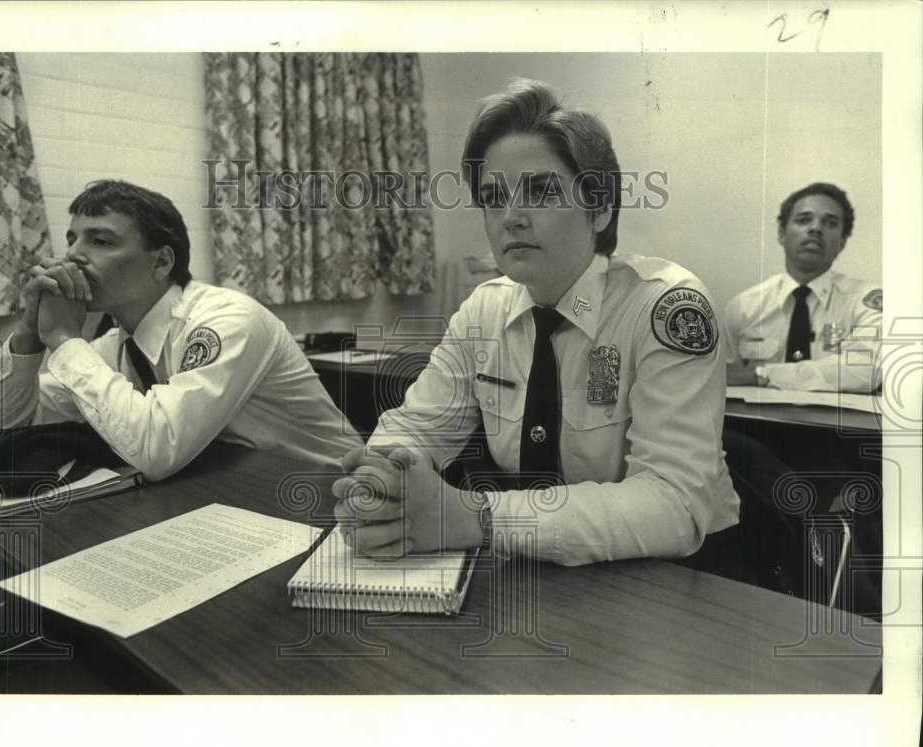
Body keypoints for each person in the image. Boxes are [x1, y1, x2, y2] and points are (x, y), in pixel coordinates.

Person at [331, 79, 740, 568]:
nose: (511, 217)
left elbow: (673, 504)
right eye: (493, 197)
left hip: (676, 576)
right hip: (540, 565)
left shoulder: (666, 308)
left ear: (601, 207)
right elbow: (417, 427)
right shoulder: (484, 311)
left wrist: (474, 517)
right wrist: (382, 485)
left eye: (541, 192)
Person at [0, 179, 362, 480]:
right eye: (72, 240)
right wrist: (28, 334)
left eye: (100, 240)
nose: (72, 255)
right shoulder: (115, 345)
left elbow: (159, 452)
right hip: (227, 488)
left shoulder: (227, 319)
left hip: (324, 491)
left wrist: (66, 341)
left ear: (161, 263)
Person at [724, 183, 882, 393]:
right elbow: (727, 379)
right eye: (803, 220)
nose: (815, 228)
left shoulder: (864, 303)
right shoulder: (744, 306)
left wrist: (762, 375)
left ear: (842, 242)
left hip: (836, 424)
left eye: (830, 223)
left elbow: (866, 370)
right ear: (782, 233)